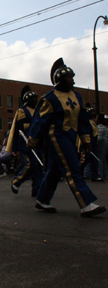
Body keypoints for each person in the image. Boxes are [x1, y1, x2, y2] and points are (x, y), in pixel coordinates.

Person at [27, 57, 106, 217]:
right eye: (69, 77)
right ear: (60, 79)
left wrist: (86, 141)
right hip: (56, 136)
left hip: (71, 137)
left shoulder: (78, 97)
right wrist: (33, 140)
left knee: (55, 171)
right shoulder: (50, 98)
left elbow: (83, 121)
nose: (73, 80)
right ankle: (86, 204)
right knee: (72, 168)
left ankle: (42, 200)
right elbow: (40, 121)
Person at [6, 85, 43, 197]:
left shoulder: (38, 111)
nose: (36, 100)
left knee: (38, 167)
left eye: (36, 98)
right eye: (33, 98)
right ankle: (17, 181)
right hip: (26, 142)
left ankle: (37, 189)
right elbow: (20, 125)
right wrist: (33, 125)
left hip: (37, 141)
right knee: (31, 164)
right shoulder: (22, 110)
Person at [97, 113, 108, 180]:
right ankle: (105, 174)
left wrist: (96, 144)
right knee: (104, 159)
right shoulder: (105, 127)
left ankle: (100, 174)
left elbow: (99, 138)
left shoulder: (100, 127)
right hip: (106, 142)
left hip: (102, 143)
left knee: (100, 159)